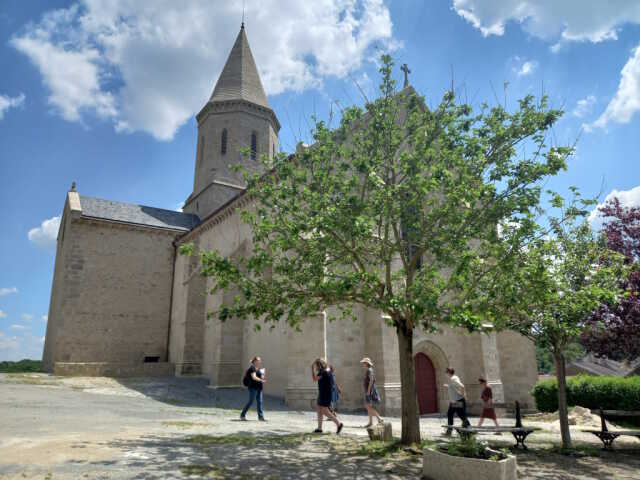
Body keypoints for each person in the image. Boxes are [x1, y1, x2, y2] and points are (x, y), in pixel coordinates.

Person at [311, 358, 343, 434]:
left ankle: (339, 424)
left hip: (325, 394)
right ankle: (319, 428)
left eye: (316, 366)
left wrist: (311, 369)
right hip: (324, 393)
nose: (316, 368)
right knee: (319, 409)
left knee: (325, 411)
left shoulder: (323, 372)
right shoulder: (328, 370)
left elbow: (314, 379)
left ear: (319, 365)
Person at [443, 367, 470, 436]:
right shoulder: (454, 378)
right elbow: (454, 387)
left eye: (446, 372)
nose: (446, 374)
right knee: (451, 414)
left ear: (449, 372)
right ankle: (450, 430)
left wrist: (462, 394)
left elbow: (462, 386)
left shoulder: (453, 378)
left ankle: (469, 429)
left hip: (457, 401)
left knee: (461, 415)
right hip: (455, 402)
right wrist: (448, 386)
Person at [240, 356, 266, 421]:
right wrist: (261, 380)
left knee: (259, 402)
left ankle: (261, 417)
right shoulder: (252, 368)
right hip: (253, 388)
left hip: (259, 388)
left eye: (259, 361)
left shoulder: (258, 368)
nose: (259, 362)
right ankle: (242, 415)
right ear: (254, 361)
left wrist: (262, 375)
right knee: (250, 402)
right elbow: (254, 377)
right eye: (257, 361)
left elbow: (260, 376)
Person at [360, 357, 383, 427]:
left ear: (366, 363)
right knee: (368, 406)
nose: (363, 364)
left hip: (370, 391)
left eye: (364, 363)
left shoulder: (369, 370)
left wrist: (369, 391)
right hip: (368, 390)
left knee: (368, 406)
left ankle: (379, 418)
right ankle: (371, 422)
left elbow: (371, 380)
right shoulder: (369, 370)